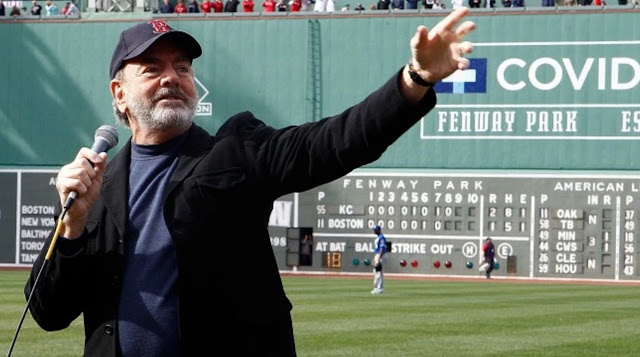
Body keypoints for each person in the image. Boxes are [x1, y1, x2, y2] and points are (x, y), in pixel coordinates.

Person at [24, 10, 476, 356]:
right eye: (151, 68)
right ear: (118, 93)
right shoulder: (96, 188)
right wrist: (73, 228)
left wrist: (413, 81)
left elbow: (335, 141)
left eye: (182, 68)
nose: (172, 78)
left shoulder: (236, 152)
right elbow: (48, 312)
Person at [371, 225, 387, 294]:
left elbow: (382, 248)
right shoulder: (378, 237)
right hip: (377, 255)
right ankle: (377, 287)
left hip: (380, 255)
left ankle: (379, 288)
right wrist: (375, 259)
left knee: (379, 272)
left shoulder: (381, 237)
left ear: (379, 230)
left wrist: (379, 257)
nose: (374, 231)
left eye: (375, 230)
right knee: (376, 271)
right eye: (374, 230)